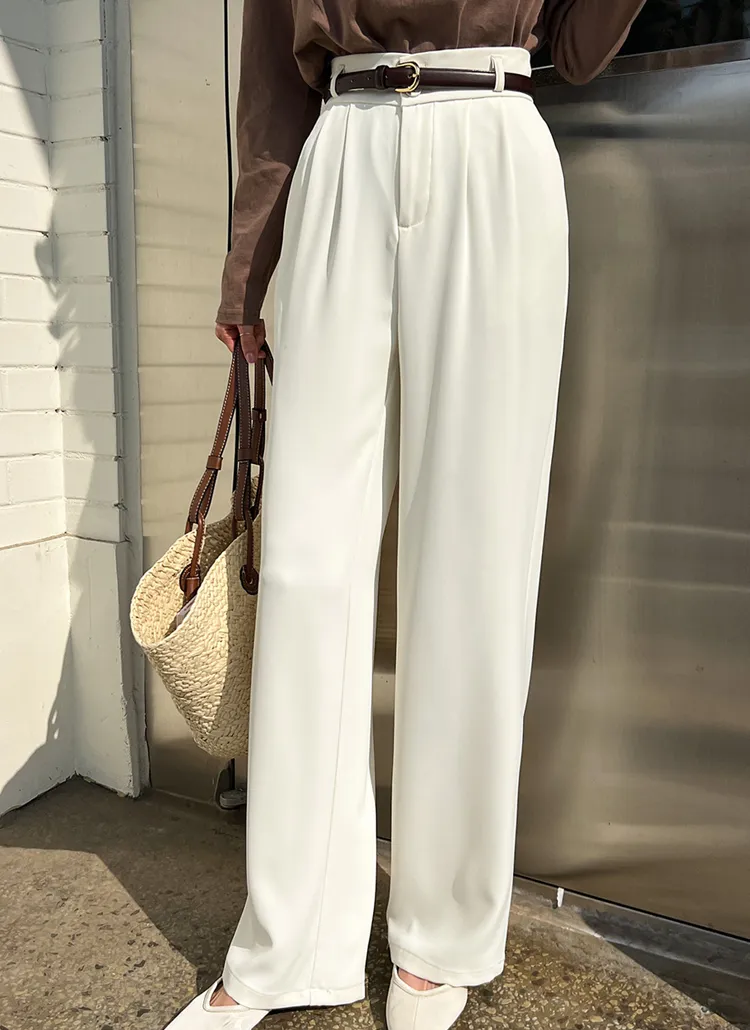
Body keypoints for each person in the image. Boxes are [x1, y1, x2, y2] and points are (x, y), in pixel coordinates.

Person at [167, 2, 646, 1028]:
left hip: (492, 133)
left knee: (476, 556)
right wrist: (249, 263)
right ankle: (291, 940)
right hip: (342, 142)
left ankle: (442, 935)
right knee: (307, 564)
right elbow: (271, 62)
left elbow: (577, 49)